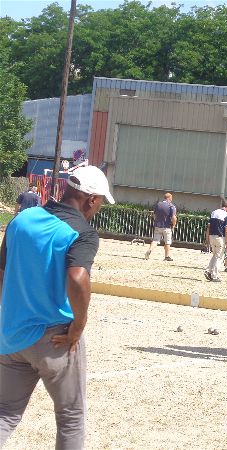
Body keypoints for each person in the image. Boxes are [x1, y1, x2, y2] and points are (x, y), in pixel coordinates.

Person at [0, 165, 114, 447]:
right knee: (71, 418)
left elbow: (2, 272)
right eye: (99, 203)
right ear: (92, 199)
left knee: (4, 414)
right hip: (56, 338)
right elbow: (77, 277)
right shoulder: (82, 233)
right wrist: (79, 325)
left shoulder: (23, 219)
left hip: (12, 337)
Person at [204, 199, 227, 282]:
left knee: (215, 254)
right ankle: (214, 275)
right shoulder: (226, 215)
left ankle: (208, 270)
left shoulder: (214, 212)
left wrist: (206, 238)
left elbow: (208, 227)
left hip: (211, 236)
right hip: (220, 237)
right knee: (219, 256)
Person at [145, 193, 177, 261]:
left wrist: (156, 222)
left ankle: (149, 250)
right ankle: (167, 256)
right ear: (169, 198)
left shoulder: (158, 204)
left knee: (155, 240)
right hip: (167, 227)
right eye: (171, 198)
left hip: (158, 226)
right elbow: (174, 217)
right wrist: (174, 225)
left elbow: (155, 215)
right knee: (167, 242)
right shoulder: (171, 206)